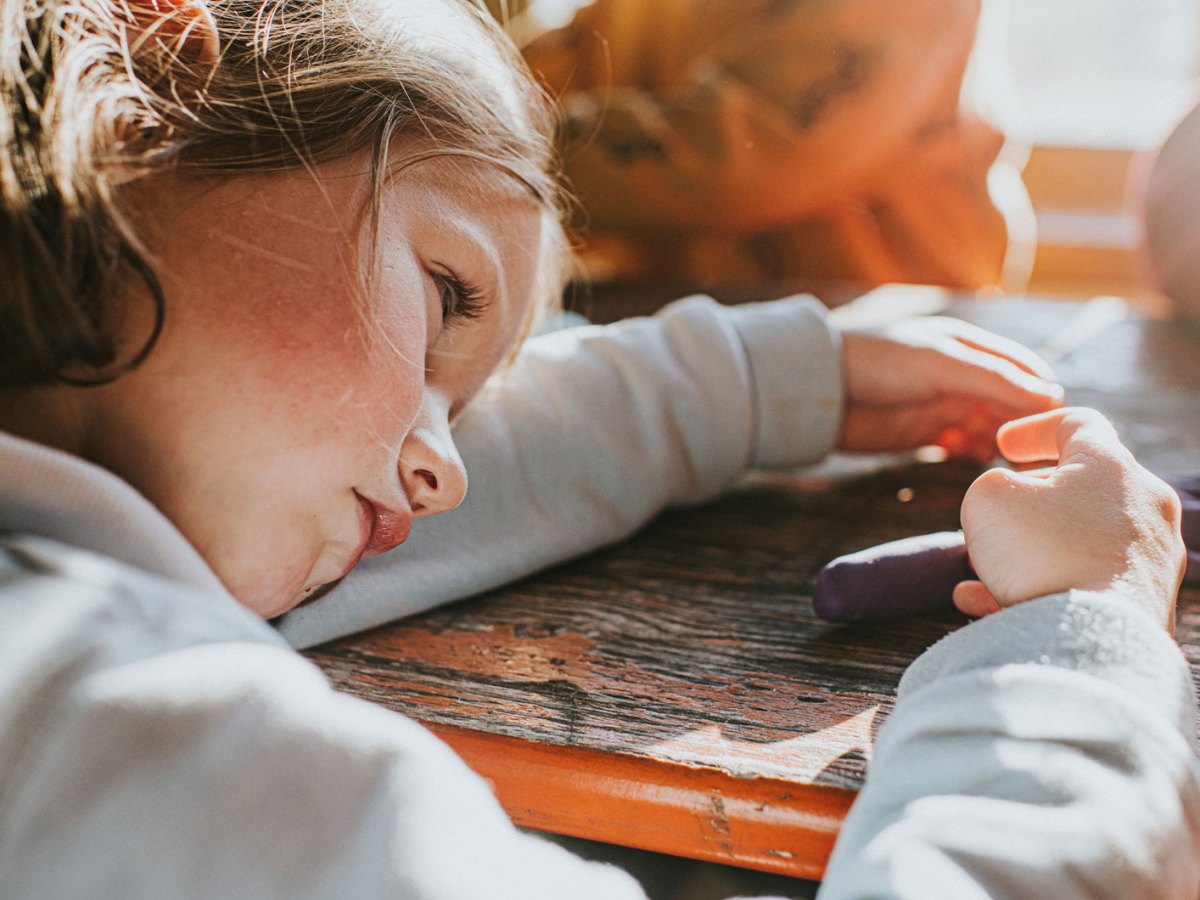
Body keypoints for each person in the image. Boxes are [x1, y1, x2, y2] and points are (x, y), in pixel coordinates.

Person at [0, 2, 1194, 898]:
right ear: (154, 85)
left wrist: (750, 387)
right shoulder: (123, 735)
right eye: (446, 290)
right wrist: (1081, 639)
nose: (447, 473)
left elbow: (316, 429)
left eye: (458, 413)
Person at [487, 0, 1034, 290]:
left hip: (889, 325)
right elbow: (567, 62)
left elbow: (732, 165)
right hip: (703, 322)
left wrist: (471, 144)